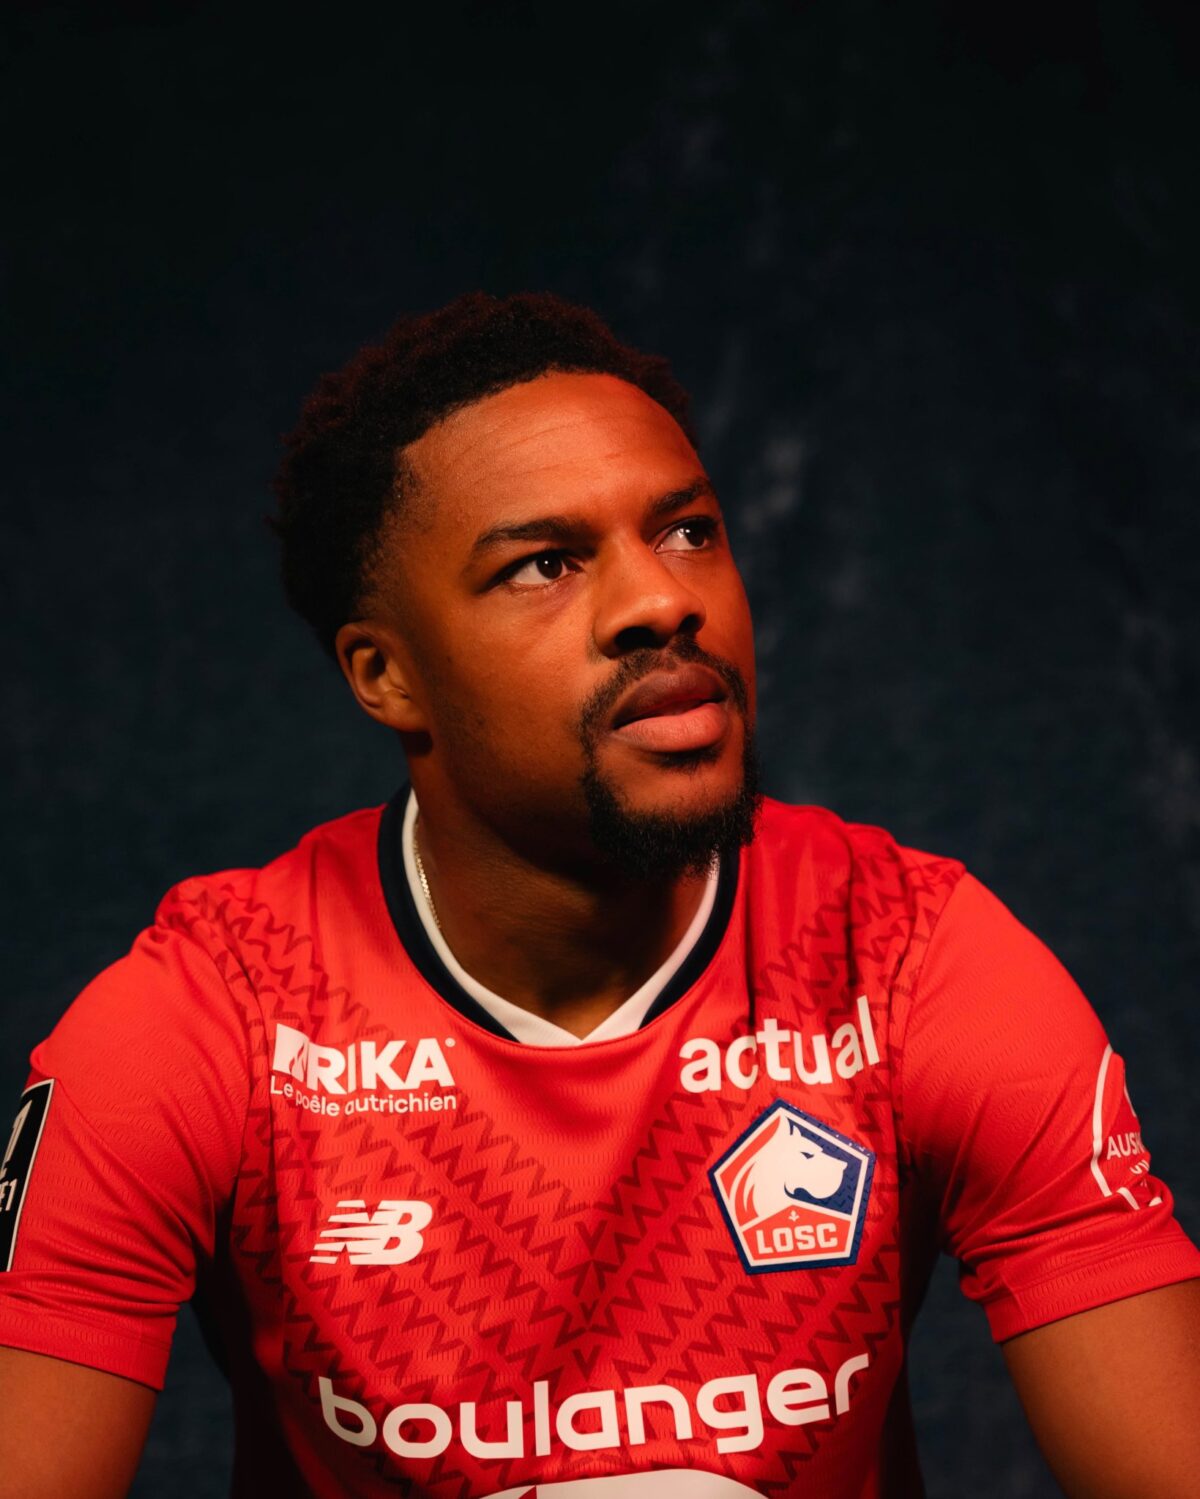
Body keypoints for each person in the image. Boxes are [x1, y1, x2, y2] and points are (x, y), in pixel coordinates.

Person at [0, 292, 1197, 1499]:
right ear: (386, 672)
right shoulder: (222, 1012)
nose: (661, 600)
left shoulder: (901, 953)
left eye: (687, 531)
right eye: (545, 564)